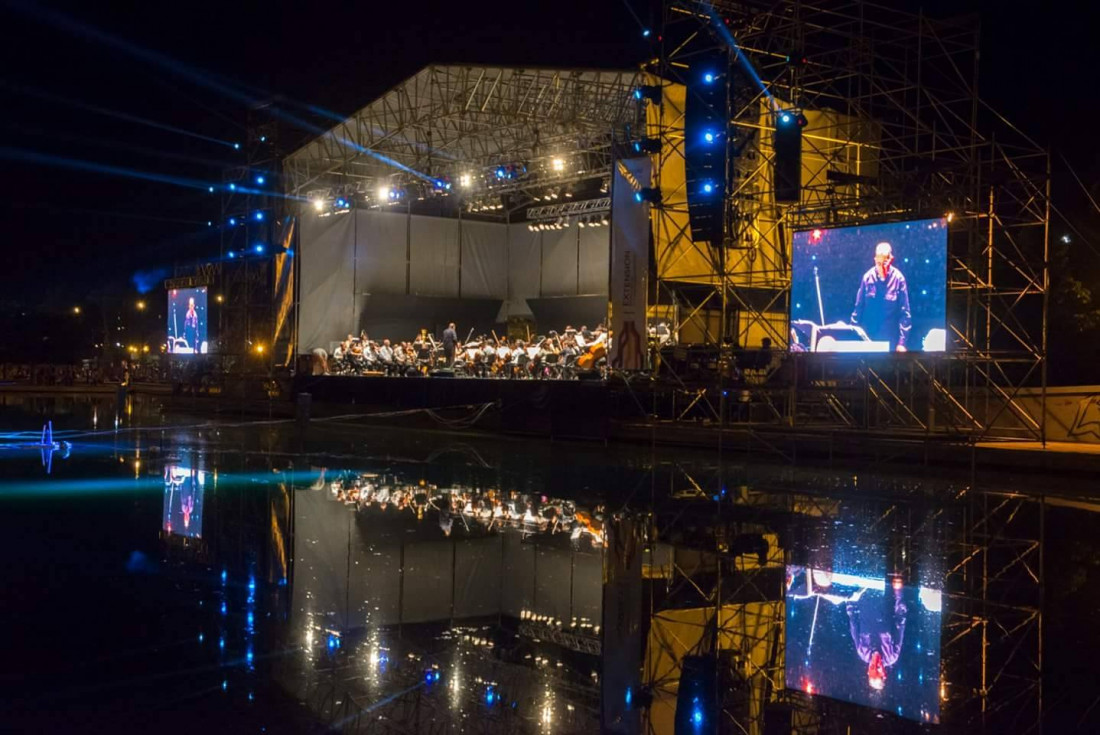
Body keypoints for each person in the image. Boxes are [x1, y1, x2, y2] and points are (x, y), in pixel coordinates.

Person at [850, 242, 911, 351]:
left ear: (890, 259)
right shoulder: (867, 278)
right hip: (868, 338)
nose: (882, 267)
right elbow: (858, 309)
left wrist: (902, 343)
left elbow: (905, 313)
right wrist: (852, 333)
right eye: (879, 263)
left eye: (885, 262)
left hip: (890, 340)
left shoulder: (899, 279)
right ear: (875, 260)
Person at [846, 583, 907, 692]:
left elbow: (853, 621)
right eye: (878, 668)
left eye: (872, 667)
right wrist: (898, 592)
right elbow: (900, 621)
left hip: (863, 591)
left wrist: (850, 598)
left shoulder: (862, 652)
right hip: (883, 591)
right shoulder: (892, 655)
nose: (876, 664)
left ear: (868, 671)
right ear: (884, 672)